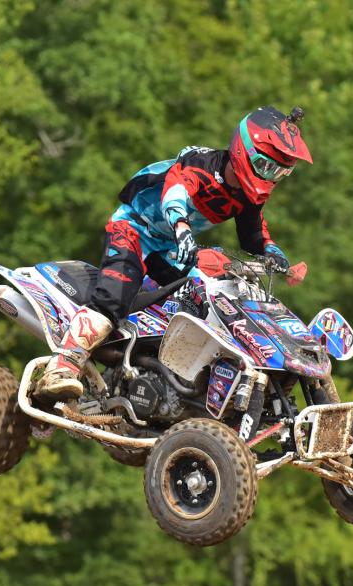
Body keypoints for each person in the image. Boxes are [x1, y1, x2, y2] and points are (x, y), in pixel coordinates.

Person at [35, 105, 313, 399]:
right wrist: (181, 225)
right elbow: (175, 191)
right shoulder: (201, 164)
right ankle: (63, 365)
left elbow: (252, 233)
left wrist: (273, 252)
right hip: (134, 230)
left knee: (210, 297)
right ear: (244, 151)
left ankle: (173, 382)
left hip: (171, 247)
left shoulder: (246, 195)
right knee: (113, 297)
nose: (271, 177)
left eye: (280, 172)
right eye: (267, 166)